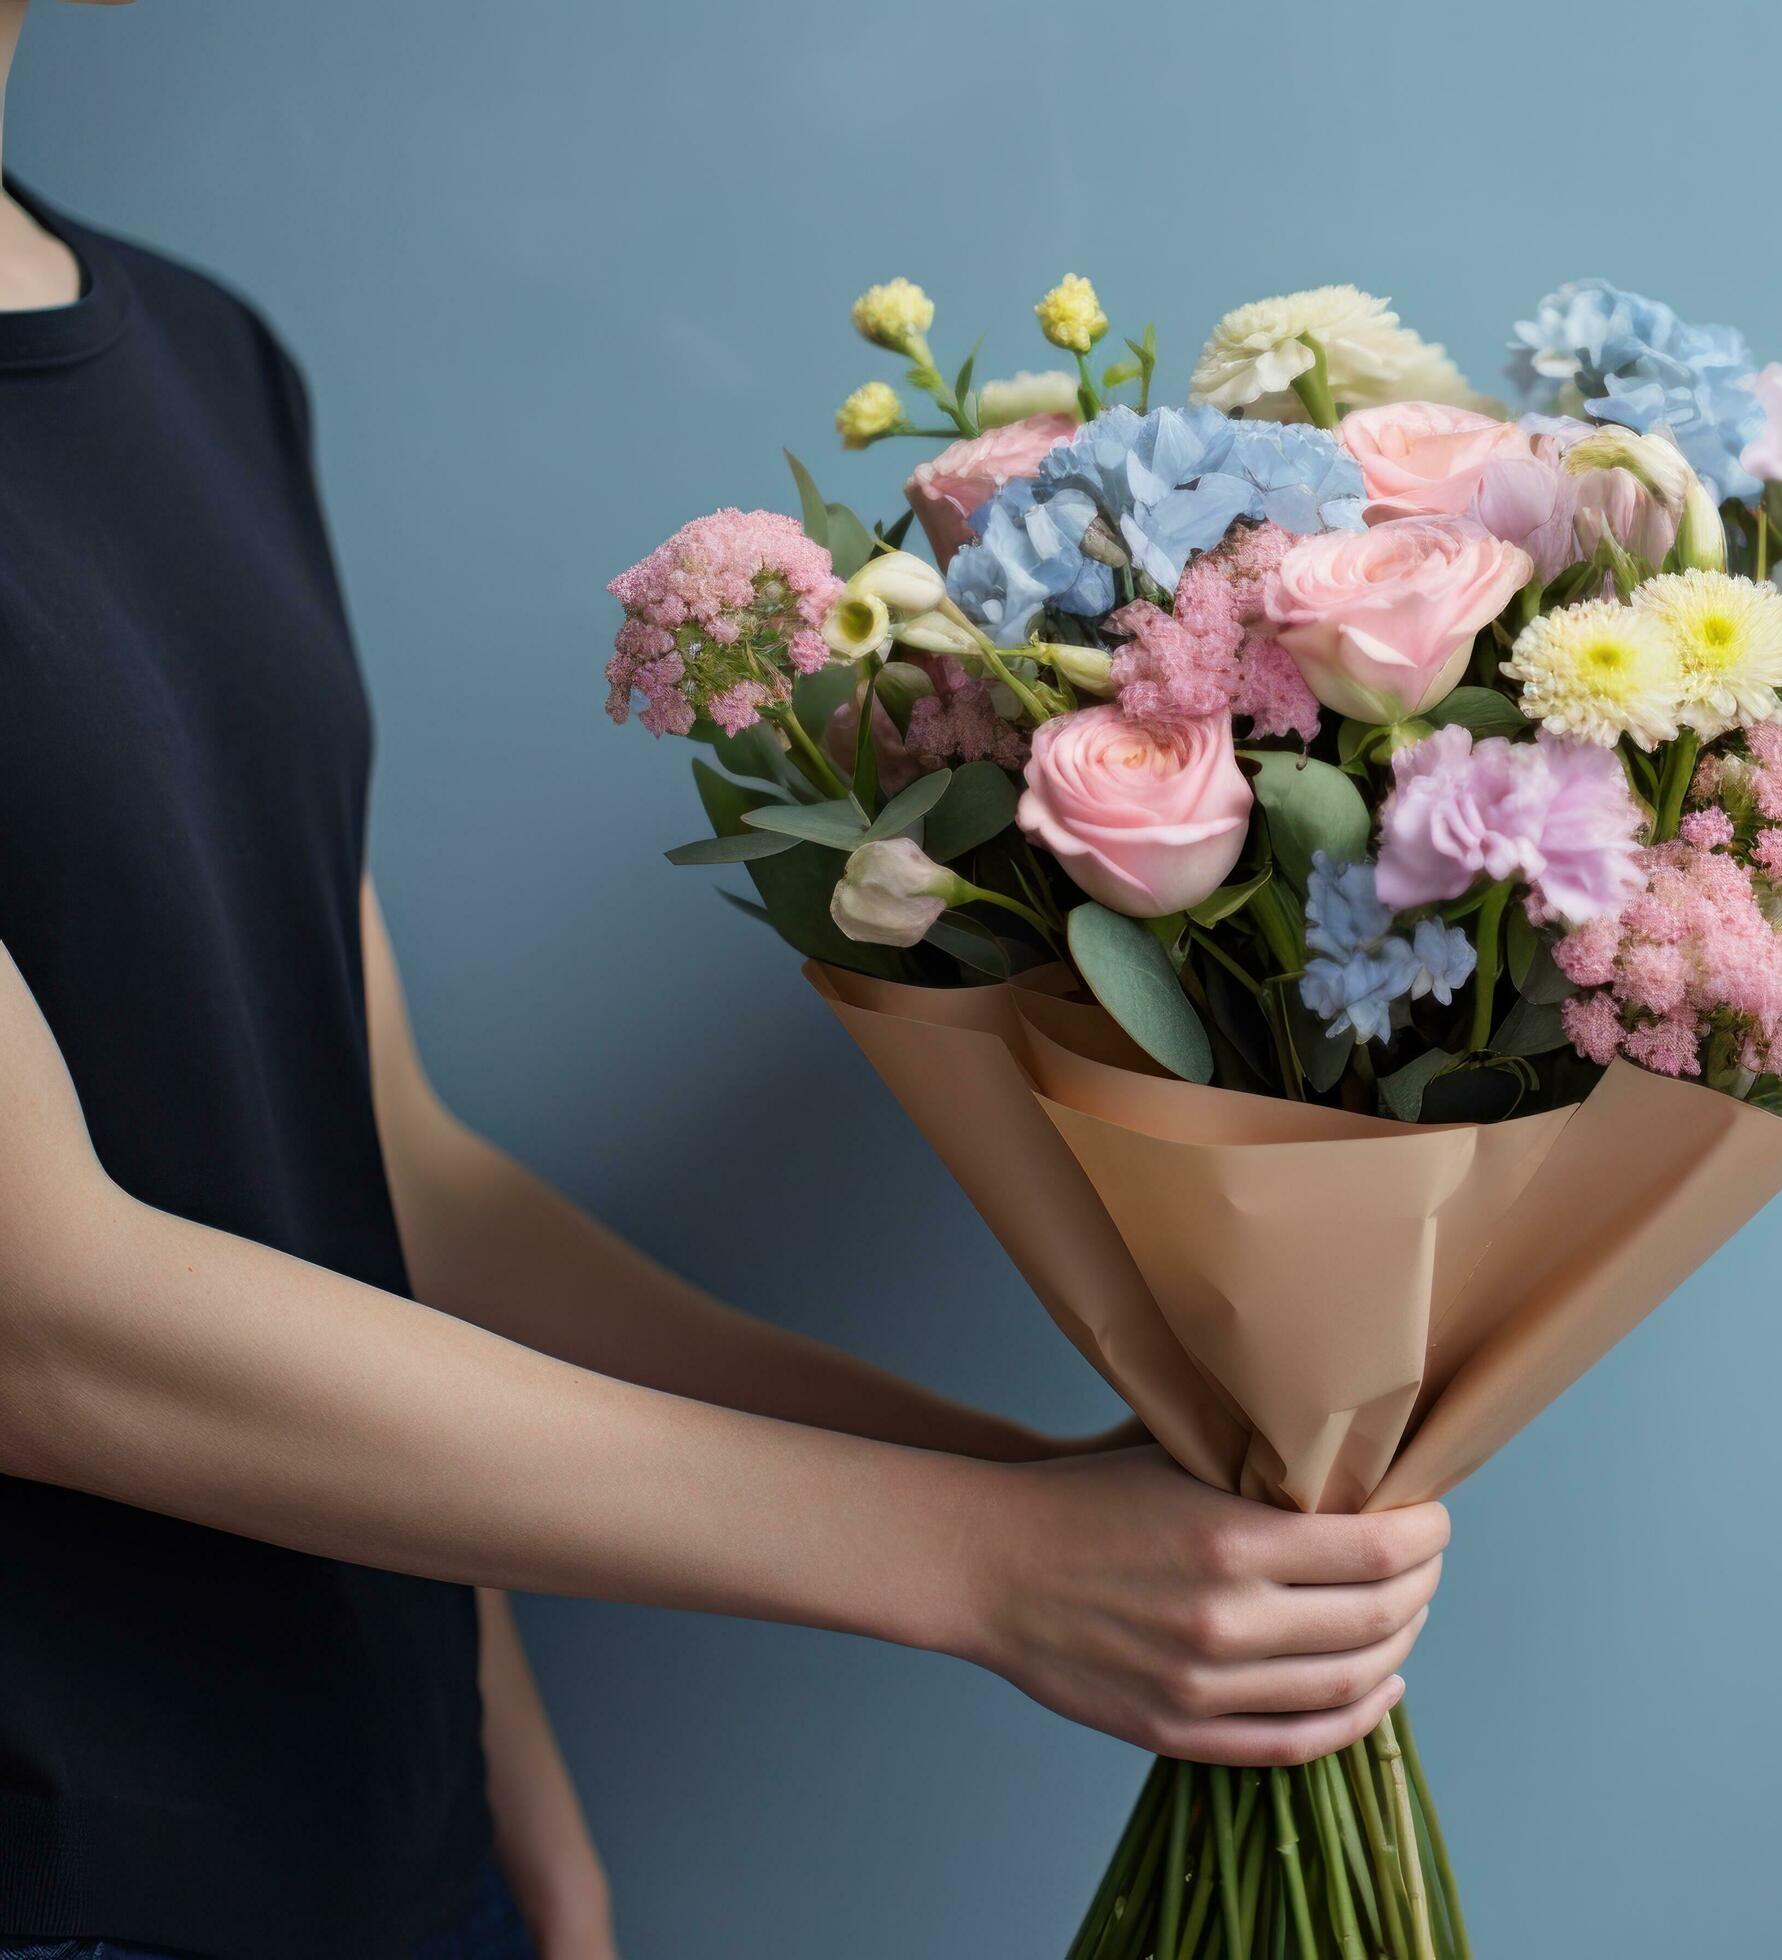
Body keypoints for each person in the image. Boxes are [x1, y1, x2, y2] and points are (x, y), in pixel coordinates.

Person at [0, 5, 1449, 1955]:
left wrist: (1049, 1496)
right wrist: (995, 1558)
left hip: (392, 1833)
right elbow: (47, 1315)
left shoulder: (202, 356)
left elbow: (387, 1177)